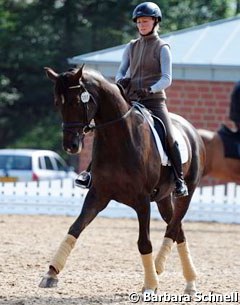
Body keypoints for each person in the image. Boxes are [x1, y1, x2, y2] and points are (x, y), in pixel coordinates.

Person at [76, 2, 188, 197]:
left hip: (154, 101)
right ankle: (90, 173)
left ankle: (179, 180)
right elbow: (121, 70)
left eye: (145, 21)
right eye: (139, 22)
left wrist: (150, 89)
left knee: (170, 136)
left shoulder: (162, 47)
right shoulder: (132, 46)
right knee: (107, 131)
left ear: (155, 22)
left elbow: (167, 79)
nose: (141, 25)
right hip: (131, 99)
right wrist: (122, 80)